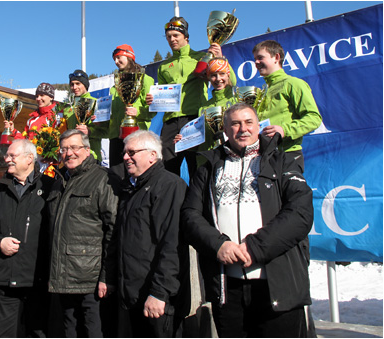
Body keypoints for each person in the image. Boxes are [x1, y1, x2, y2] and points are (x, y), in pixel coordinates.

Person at [181, 103, 314, 337]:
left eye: (248, 122)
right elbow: (190, 216)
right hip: (227, 289)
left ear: (258, 126)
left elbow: (300, 213)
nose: (243, 129)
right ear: (225, 129)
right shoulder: (209, 167)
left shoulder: (282, 161)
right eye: (235, 123)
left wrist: (255, 247)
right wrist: (218, 245)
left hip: (277, 287)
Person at [0, 139, 54, 337]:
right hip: (5, 281)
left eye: (12, 155)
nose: (6, 159)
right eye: (7, 155)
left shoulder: (50, 187)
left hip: (38, 281)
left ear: (29, 159)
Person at [47, 129, 119, 337]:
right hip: (63, 276)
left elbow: (112, 229)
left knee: (92, 330)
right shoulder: (59, 181)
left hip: (91, 278)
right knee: (69, 329)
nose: (69, 153)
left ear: (87, 150)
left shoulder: (102, 179)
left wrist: (107, 275)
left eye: (75, 148)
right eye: (64, 149)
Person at [116, 130, 188, 337]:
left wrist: (160, 292)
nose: (125, 158)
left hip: (157, 302)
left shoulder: (169, 186)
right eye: (124, 153)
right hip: (132, 296)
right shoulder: (131, 189)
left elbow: (171, 243)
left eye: (132, 153)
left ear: (152, 155)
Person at [146, 16, 234, 178]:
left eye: (175, 36)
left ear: (186, 37)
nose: (172, 40)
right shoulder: (164, 66)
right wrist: (154, 101)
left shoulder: (201, 58)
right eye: (168, 37)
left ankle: (198, 202)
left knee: (197, 167)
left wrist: (220, 58)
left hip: (195, 118)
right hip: (171, 122)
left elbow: (230, 82)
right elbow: (161, 95)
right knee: (168, 168)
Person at [253, 39, 322, 172]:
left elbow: (314, 118)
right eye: (255, 59)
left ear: (276, 57)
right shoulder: (261, 92)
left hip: (288, 155)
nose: (256, 62)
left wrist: (284, 130)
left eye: (260, 57)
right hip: (263, 157)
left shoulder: (293, 84)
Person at [174, 57, 237, 167]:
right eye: (213, 75)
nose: (218, 79)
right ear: (208, 78)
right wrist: (184, 140)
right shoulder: (204, 107)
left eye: (222, 74)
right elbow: (201, 138)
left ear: (228, 75)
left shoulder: (236, 100)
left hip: (233, 159)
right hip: (208, 162)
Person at [109, 44, 155, 170]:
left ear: (129, 56)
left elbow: (153, 110)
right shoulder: (115, 87)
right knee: (116, 174)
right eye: (114, 59)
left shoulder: (145, 80)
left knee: (136, 172)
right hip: (116, 136)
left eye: (119, 57)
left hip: (136, 134)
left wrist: (138, 112)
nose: (116, 62)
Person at [64, 70, 106, 162]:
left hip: (91, 156)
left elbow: (106, 132)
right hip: (72, 157)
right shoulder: (68, 108)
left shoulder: (96, 103)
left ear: (85, 85)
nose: (74, 87)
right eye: (72, 84)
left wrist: (90, 131)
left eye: (78, 83)